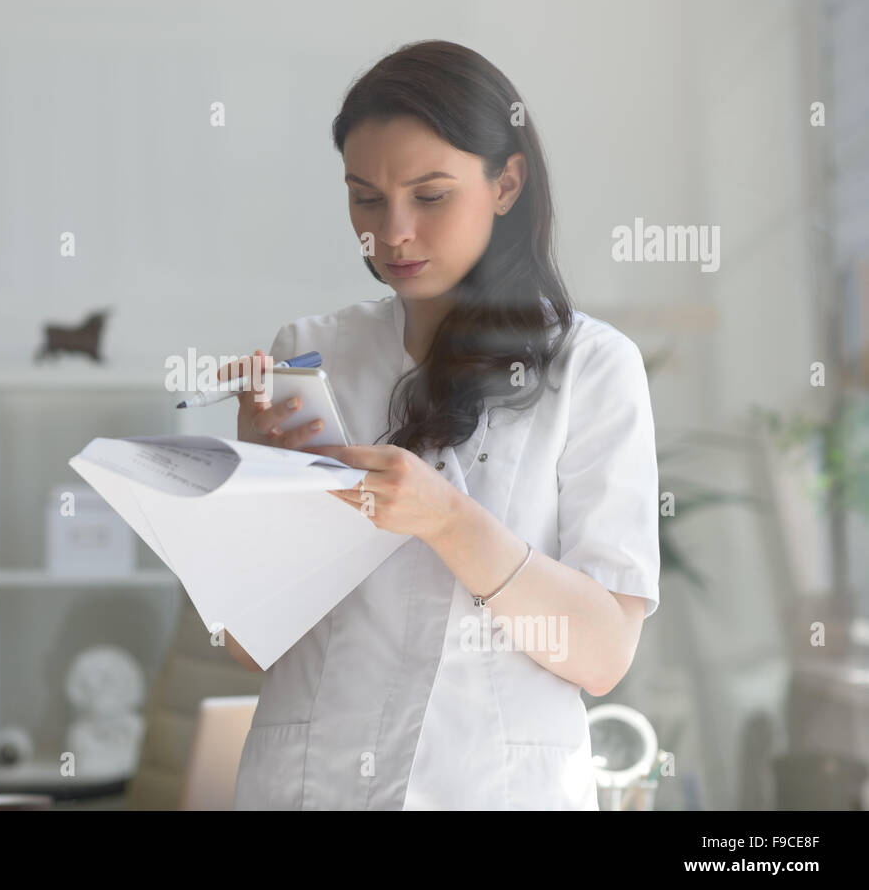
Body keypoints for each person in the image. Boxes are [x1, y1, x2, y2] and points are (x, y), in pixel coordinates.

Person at [216, 40, 660, 810]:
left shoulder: (591, 368)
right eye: (364, 197)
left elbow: (601, 654)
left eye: (429, 196)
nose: (391, 233)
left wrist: (448, 520)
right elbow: (248, 645)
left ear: (506, 182)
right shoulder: (309, 357)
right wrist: (253, 482)